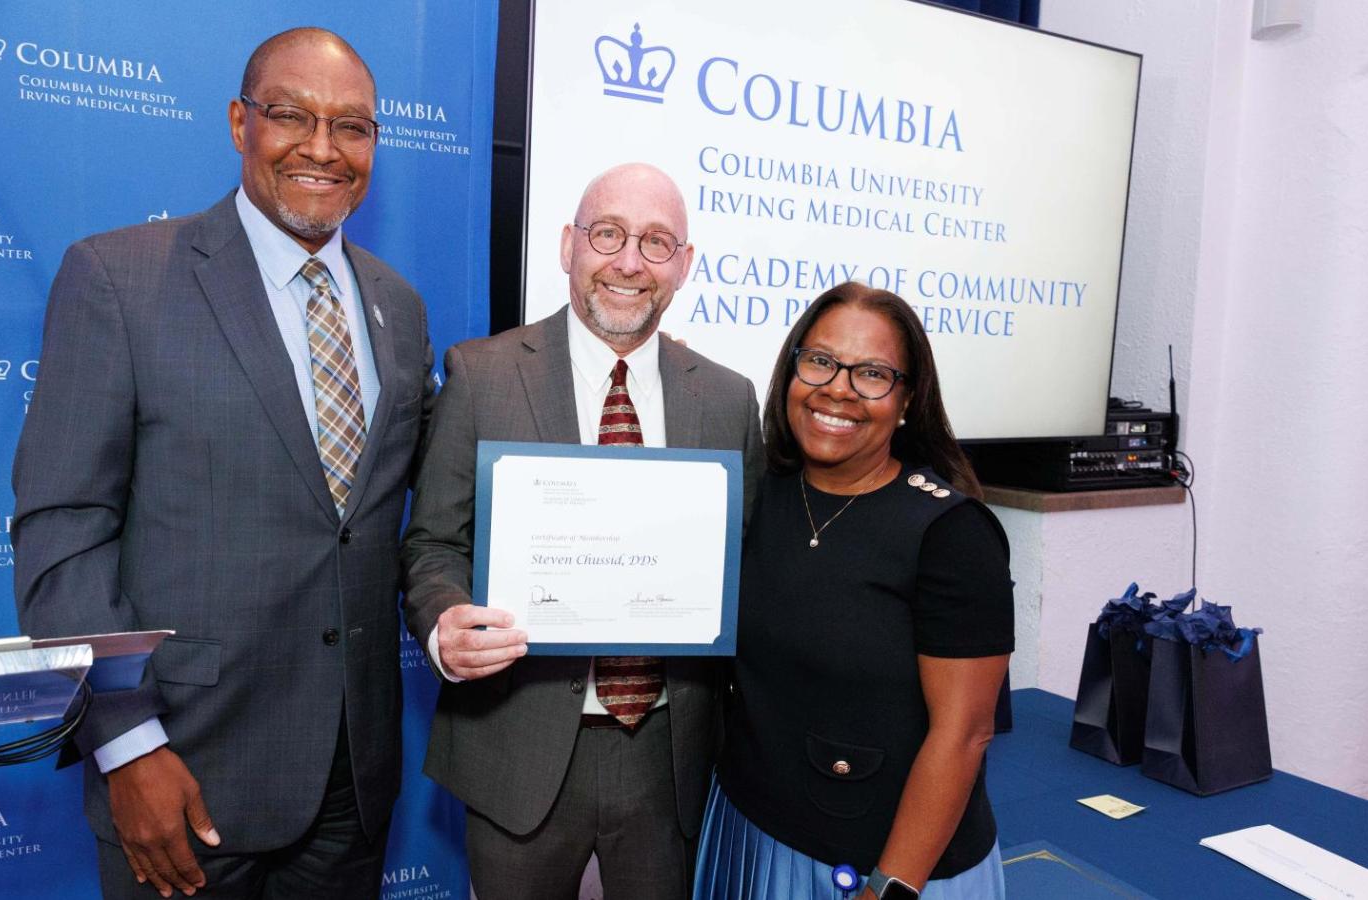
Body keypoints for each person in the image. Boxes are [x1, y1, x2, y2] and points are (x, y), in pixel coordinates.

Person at [11, 27, 435, 899]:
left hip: (351, 785)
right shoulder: (118, 278)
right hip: (182, 770)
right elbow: (63, 532)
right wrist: (127, 743)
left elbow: (391, 517)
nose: (323, 148)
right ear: (241, 122)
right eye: (291, 116)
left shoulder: (398, 305)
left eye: (352, 127)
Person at [401, 162, 765, 899]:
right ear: (568, 245)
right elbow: (433, 543)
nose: (629, 262)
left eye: (656, 242)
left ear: (685, 266)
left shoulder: (729, 399)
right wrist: (446, 626)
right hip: (517, 743)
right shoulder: (482, 375)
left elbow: (746, 567)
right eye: (608, 234)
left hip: (669, 756)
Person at [695, 283, 1013, 900]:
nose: (837, 388)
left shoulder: (951, 533)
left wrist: (890, 887)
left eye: (871, 373)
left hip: (881, 868)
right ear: (792, 370)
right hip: (750, 834)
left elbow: (965, 732)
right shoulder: (763, 493)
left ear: (906, 399)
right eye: (819, 361)